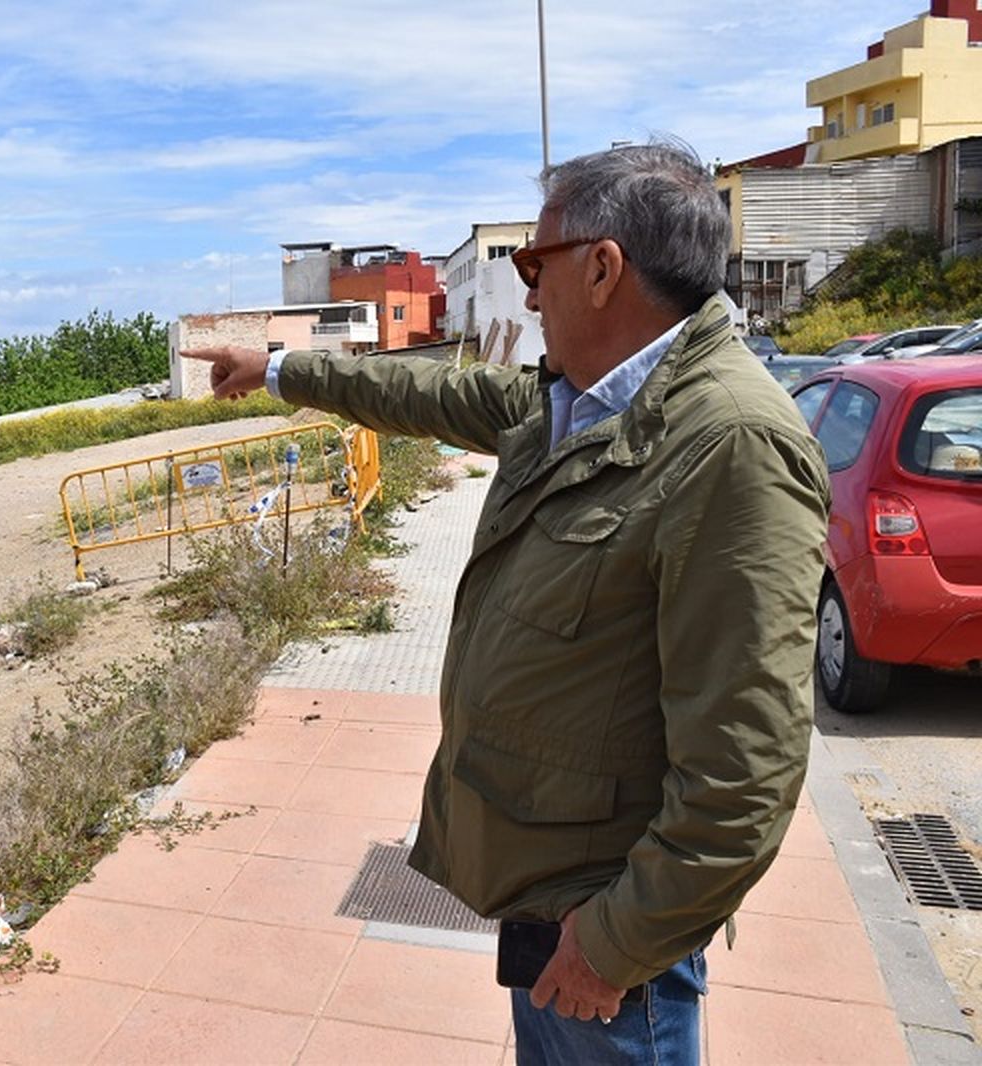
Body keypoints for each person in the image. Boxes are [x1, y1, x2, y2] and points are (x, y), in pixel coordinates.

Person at [184, 142, 830, 1065]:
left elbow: (745, 772)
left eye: (535, 265)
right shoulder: (583, 403)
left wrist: (614, 946)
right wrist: (279, 369)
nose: (527, 298)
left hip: (610, 949)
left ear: (602, 269)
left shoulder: (731, 445)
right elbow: (429, 390)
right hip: (551, 903)